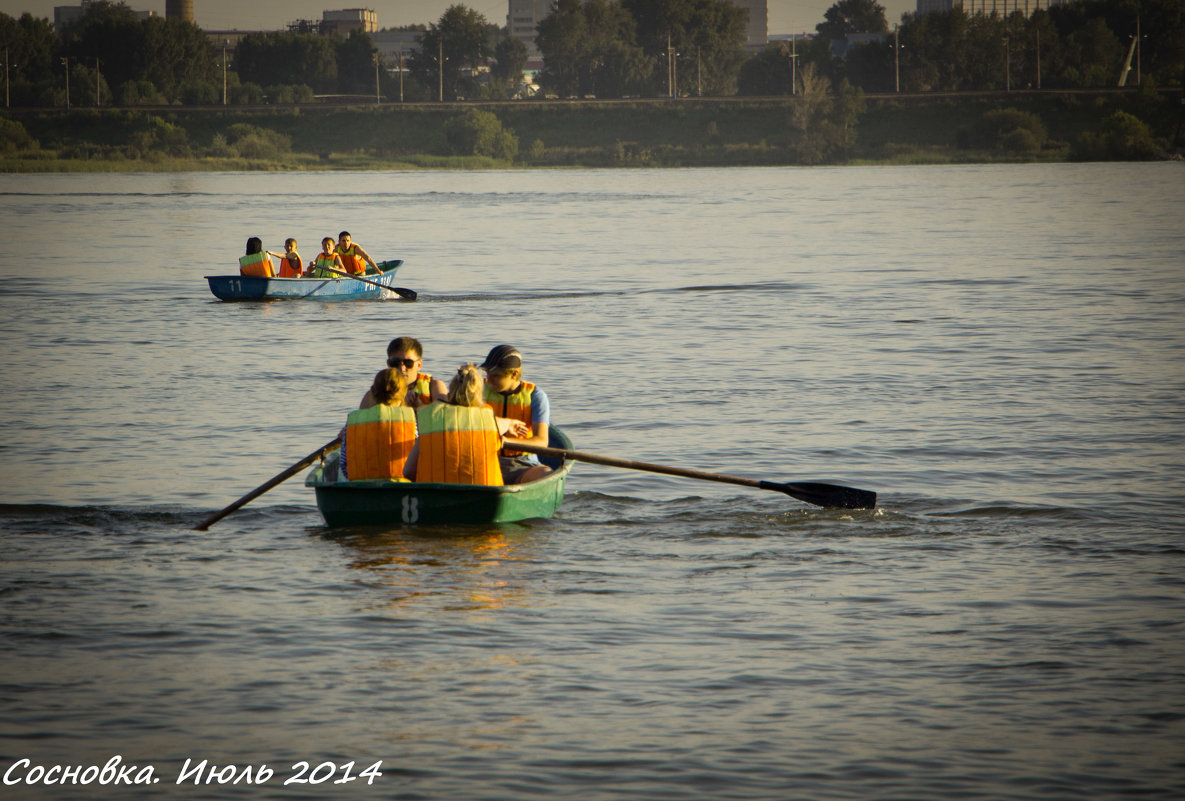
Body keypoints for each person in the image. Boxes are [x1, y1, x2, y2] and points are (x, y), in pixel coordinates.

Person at [403, 364, 503, 486]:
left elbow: (408, 472)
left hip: (435, 495)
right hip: (483, 495)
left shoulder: (429, 418)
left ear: (449, 396)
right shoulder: (490, 419)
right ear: (480, 399)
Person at [480, 344, 552, 484]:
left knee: (546, 474)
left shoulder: (536, 396)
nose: (488, 379)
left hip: (523, 465)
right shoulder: (479, 389)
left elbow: (542, 442)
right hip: (487, 461)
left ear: (513, 374)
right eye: (487, 373)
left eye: (496, 375)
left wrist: (504, 442)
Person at [340, 368, 416, 482]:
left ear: (372, 392)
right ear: (404, 393)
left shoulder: (352, 422)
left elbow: (344, 466)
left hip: (360, 485)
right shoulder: (410, 420)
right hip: (400, 484)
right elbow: (416, 462)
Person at [360, 337, 449, 411]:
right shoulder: (375, 393)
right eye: (395, 362)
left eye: (408, 363)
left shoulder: (434, 387)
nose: (402, 368)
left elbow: (445, 413)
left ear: (419, 365)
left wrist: (418, 406)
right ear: (388, 364)